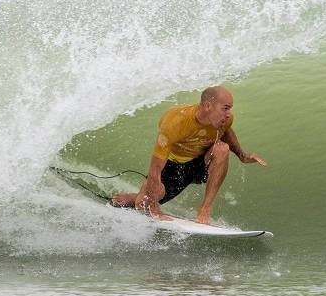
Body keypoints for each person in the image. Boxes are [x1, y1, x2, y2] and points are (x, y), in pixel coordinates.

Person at [110, 85, 266, 224]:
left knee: (222, 149)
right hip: (174, 167)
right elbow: (155, 169)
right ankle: (134, 198)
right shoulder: (175, 121)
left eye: (229, 108)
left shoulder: (225, 119)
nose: (228, 114)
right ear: (207, 105)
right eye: (225, 108)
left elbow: (226, 132)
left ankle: (204, 209)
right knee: (143, 204)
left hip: (201, 163)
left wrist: (242, 156)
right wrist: (153, 207)